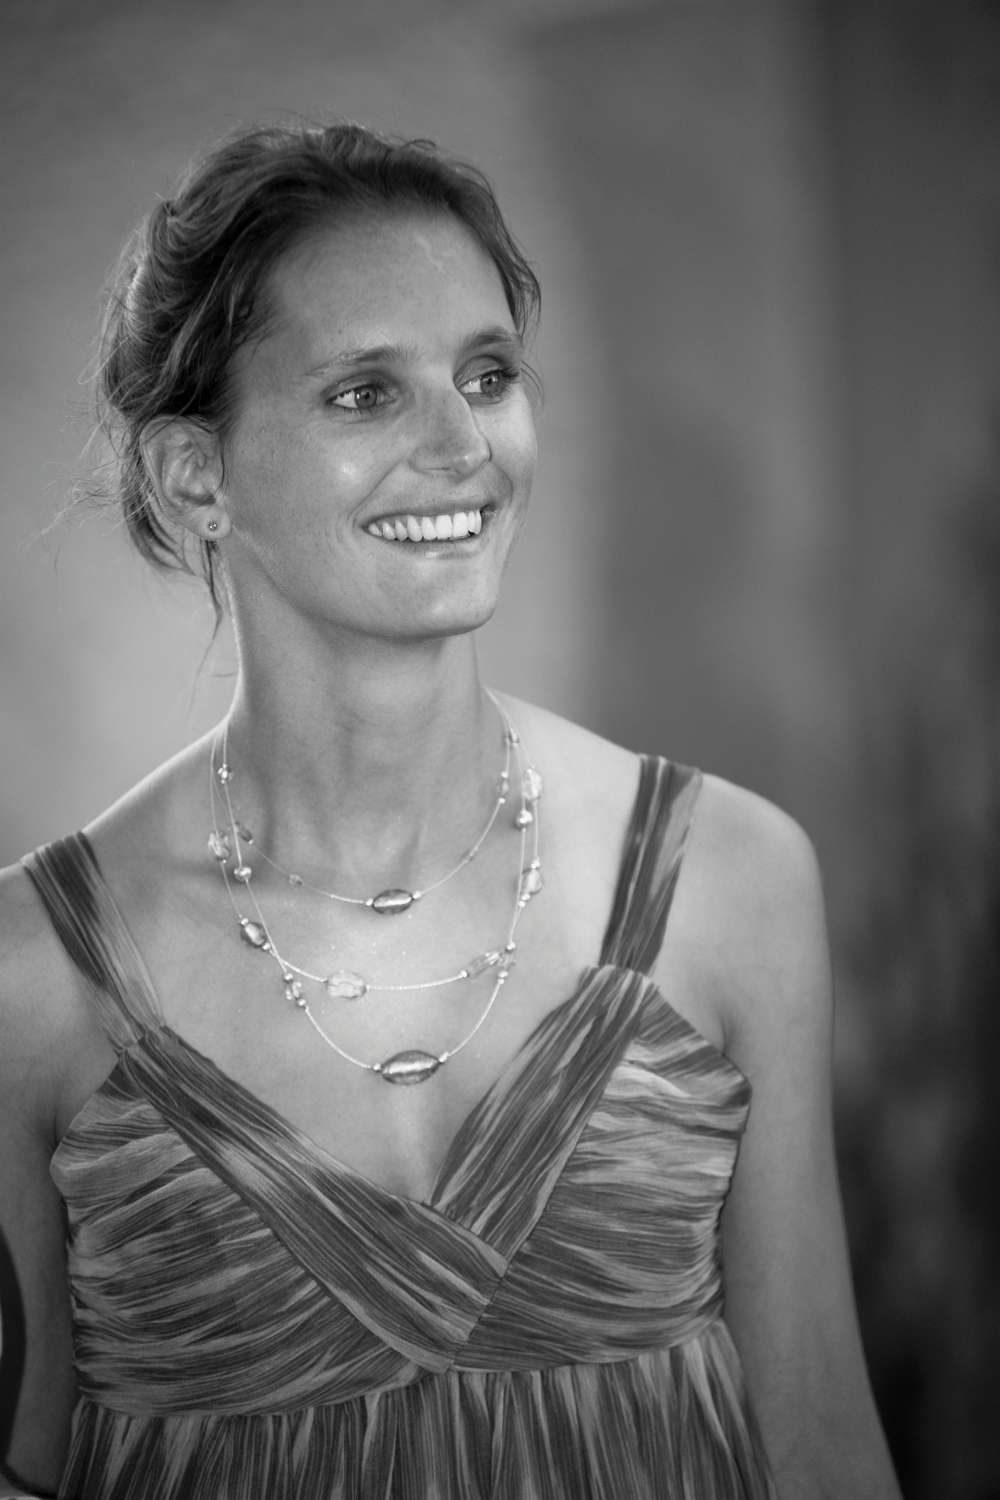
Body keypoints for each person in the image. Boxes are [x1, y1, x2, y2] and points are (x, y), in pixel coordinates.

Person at [0, 121, 901, 1500]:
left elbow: (822, 1446)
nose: (463, 443)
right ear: (196, 477)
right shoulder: (32, 979)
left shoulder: (732, 879)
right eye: (366, 393)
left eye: (488, 376)